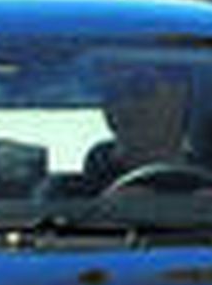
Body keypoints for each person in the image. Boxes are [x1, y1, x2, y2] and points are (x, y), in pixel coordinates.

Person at [82, 61, 198, 192]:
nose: (126, 104)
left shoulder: (211, 186)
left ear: (179, 93)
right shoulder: (88, 189)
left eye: (141, 87)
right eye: (114, 92)